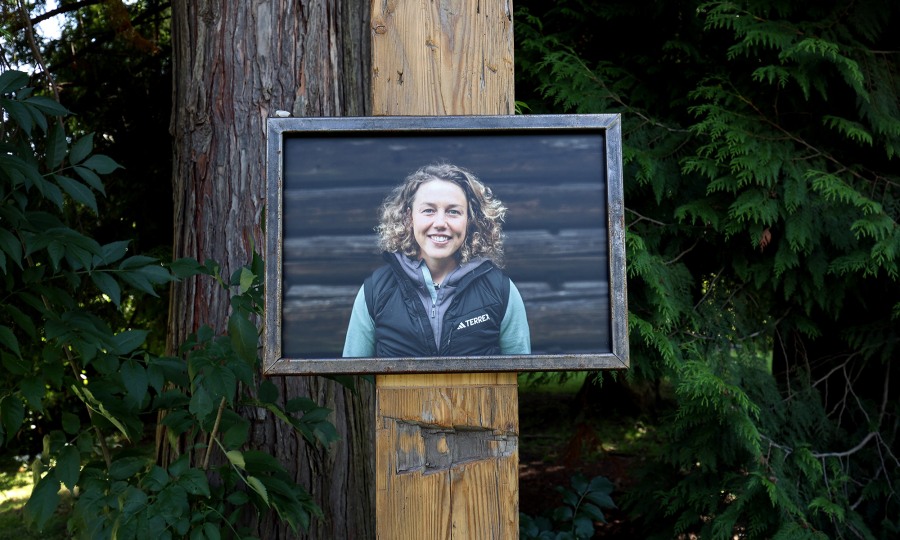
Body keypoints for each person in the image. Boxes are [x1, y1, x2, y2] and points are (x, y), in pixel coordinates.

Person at [342, 163, 531, 358]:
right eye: (428, 210)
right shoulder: (375, 291)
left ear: (470, 219)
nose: (440, 223)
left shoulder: (501, 290)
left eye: (453, 212)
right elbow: (355, 380)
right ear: (409, 217)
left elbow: (521, 376)